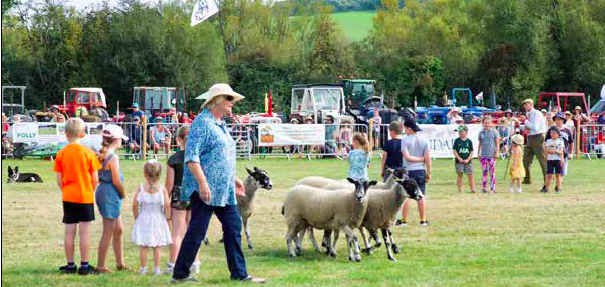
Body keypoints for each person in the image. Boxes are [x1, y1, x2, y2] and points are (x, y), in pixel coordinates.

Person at [172, 83, 265, 283]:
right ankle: (180, 274)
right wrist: (203, 184)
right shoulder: (202, 123)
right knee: (197, 231)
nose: (233, 103)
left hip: (224, 189)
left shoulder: (220, 123)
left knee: (233, 226)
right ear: (218, 100)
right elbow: (191, 156)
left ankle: (239, 274)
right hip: (207, 189)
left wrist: (234, 179)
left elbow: (220, 156)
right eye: (230, 99)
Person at [53, 118, 101, 275]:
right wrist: (90, 190)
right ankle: (85, 266)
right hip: (85, 196)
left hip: (68, 196)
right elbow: (95, 179)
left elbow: (59, 180)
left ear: (66, 134)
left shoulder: (61, 153)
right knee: (85, 233)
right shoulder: (88, 153)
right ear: (83, 133)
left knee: (69, 232)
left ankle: (70, 265)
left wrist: (66, 190)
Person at [165, 126, 201, 275]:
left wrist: (165, 201)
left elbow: (169, 185)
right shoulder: (198, 157)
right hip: (195, 193)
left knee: (177, 232)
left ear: (178, 140)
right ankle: (195, 262)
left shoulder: (174, 159)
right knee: (193, 230)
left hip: (179, 193)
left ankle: (173, 263)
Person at [94, 124, 130, 273]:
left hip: (105, 191)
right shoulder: (113, 157)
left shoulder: (102, 153)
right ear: (116, 140)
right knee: (108, 230)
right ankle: (101, 265)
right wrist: (123, 193)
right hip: (110, 193)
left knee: (118, 229)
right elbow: (116, 180)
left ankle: (120, 263)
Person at [131, 160, 172, 275]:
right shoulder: (162, 189)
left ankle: (143, 268)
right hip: (158, 218)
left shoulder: (141, 188)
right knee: (157, 245)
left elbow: (135, 204)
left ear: (145, 173)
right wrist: (168, 218)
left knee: (144, 245)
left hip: (144, 218)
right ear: (159, 174)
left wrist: (136, 218)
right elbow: (167, 205)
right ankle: (157, 269)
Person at [397, 118, 430, 226]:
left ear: (410, 129)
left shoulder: (405, 140)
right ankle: (423, 220)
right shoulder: (424, 140)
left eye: (405, 128)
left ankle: (403, 220)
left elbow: (407, 157)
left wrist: (419, 159)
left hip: (408, 170)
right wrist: (428, 171)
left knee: (406, 196)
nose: (404, 130)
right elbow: (427, 158)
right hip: (420, 170)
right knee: (421, 195)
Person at [521, 99, 548, 187]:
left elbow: (535, 127)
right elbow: (530, 127)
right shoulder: (528, 114)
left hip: (538, 137)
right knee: (525, 160)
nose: (524, 106)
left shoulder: (537, 113)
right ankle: (527, 179)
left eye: (526, 104)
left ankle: (547, 180)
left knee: (542, 160)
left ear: (531, 104)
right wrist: (521, 126)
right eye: (524, 104)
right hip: (531, 138)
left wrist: (524, 121)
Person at [478, 116, 500, 193]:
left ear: (491, 124)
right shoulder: (481, 133)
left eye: (488, 123)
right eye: (485, 123)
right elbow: (480, 143)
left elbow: (497, 143)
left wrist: (497, 152)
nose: (487, 124)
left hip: (492, 155)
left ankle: (492, 188)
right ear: (483, 123)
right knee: (484, 172)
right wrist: (478, 153)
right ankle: (483, 188)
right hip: (484, 155)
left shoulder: (494, 132)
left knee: (492, 172)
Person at [453, 125, 475, 193]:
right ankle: (460, 189)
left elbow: (471, 151)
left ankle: (472, 189)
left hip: (468, 161)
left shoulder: (469, 141)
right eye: (459, 132)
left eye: (461, 131)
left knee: (470, 174)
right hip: (459, 161)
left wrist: (468, 159)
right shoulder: (457, 141)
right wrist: (459, 158)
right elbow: (454, 151)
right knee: (460, 174)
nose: (459, 133)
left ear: (466, 132)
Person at [543, 126, 565, 193]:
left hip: (558, 160)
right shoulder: (548, 141)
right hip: (550, 160)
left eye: (554, 133)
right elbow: (546, 150)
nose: (552, 135)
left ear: (558, 134)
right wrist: (553, 152)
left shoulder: (560, 141)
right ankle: (546, 188)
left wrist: (562, 160)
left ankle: (558, 188)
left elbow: (561, 152)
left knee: (558, 175)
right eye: (551, 133)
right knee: (549, 175)